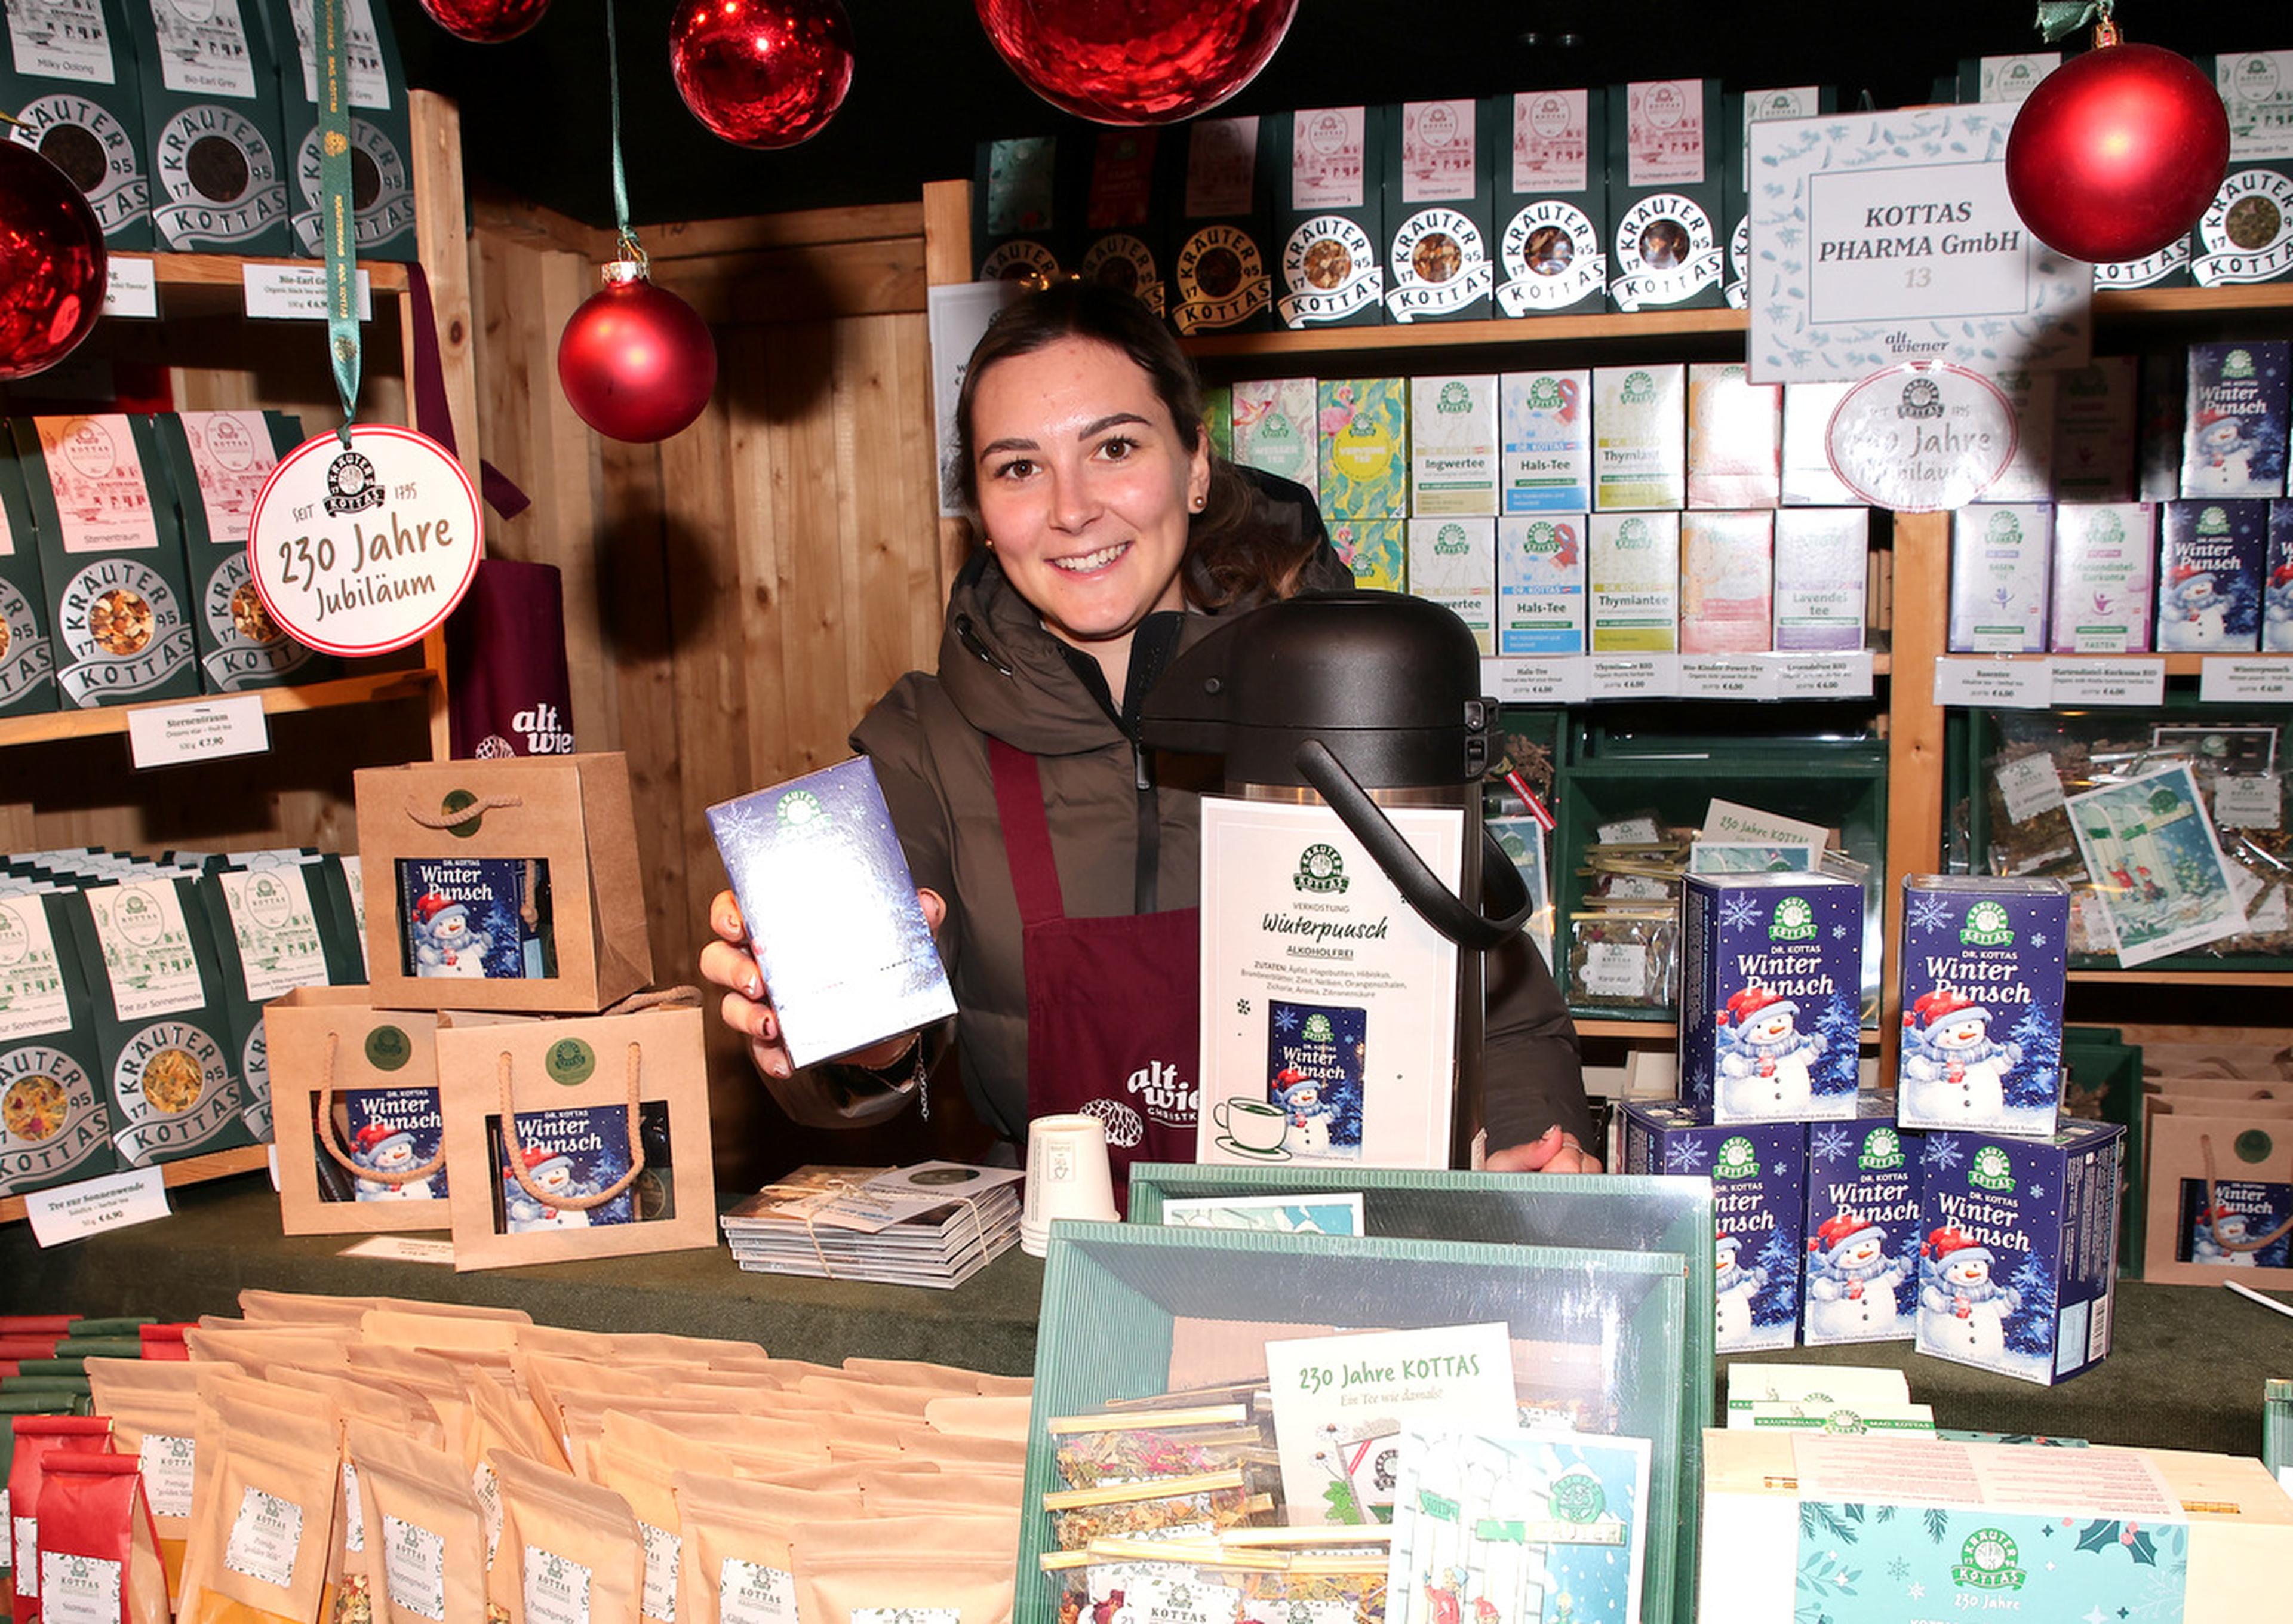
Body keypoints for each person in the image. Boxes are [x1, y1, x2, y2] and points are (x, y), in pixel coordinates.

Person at [700, 280, 1597, 1175]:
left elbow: (1504, 1014)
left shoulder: (1354, 700)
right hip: (1058, 1262)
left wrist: (1532, 1150)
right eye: (1018, 467)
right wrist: (857, 1047)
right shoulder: (921, 743)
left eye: (1115, 447)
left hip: (1328, 1239)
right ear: (977, 506)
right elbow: (873, 1057)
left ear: (1196, 464)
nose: (1072, 507)